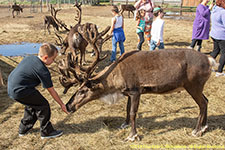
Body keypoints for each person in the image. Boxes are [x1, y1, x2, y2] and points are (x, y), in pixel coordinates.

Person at [7, 43, 68, 139]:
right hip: (21, 90)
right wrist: (62, 104)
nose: (53, 61)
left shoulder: (30, 58)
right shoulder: (43, 70)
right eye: (53, 59)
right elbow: (52, 91)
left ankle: (23, 129)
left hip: (11, 87)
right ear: (46, 57)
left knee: (33, 104)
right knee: (43, 106)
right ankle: (46, 132)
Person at [209, 0, 225, 77]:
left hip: (214, 34)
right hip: (222, 36)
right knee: (224, 53)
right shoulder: (223, 12)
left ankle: (208, 66)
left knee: (216, 50)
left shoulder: (214, 10)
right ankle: (219, 71)